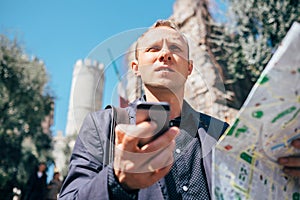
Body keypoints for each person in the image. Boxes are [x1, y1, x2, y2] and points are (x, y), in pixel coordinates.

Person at [59, 19, 300, 199]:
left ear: (189, 68)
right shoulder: (103, 125)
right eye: (153, 49)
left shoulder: (223, 134)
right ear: (135, 67)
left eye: (175, 49)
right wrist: (118, 180)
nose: (165, 54)